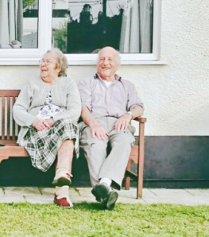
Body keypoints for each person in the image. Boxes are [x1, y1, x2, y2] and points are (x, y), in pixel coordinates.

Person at [12, 48, 81, 208]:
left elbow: (75, 111)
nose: (43, 65)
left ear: (58, 67)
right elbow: (18, 110)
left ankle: (62, 179)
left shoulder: (68, 83)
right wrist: (34, 121)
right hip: (36, 132)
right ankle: (62, 189)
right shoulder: (32, 84)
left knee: (68, 128)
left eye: (47, 62)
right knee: (68, 134)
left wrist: (53, 120)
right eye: (41, 61)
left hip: (60, 129)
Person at [78, 47, 144, 210]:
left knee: (123, 142)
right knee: (95, 145)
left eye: (109, 59)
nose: (105, 63)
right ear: (97, 64)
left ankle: (104, 185)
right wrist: (93, 124)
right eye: (101, 59)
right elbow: (82, 107)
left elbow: (139, 107)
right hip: (94, 122)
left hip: (119, 123)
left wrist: (128, 115)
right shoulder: (87, 83)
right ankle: (106, 191)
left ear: (117, 65)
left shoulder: (127, 85)